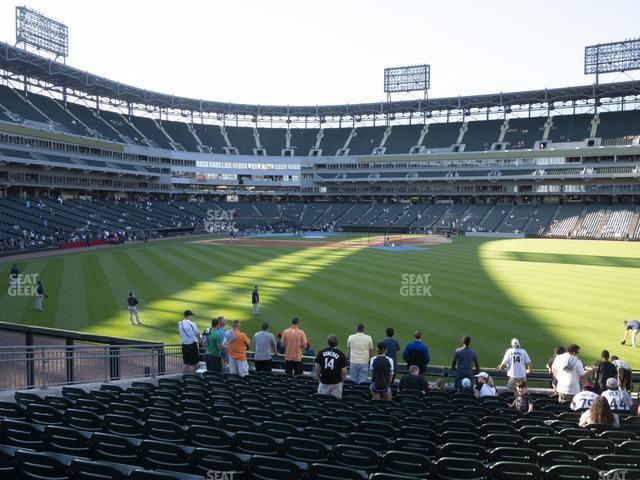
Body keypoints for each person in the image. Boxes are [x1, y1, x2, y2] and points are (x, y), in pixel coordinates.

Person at [315, 334, 348, 399]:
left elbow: (317, 368)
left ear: (328, 342)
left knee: (322, 401)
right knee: (335, 404)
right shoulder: (341, 354)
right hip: (336, 383)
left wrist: (319, 378)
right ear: (337, 343)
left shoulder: (321, 352)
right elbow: (344, 372)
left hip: (324, 382)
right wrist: (342, 381)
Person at [178, 310, 200, 374]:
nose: (191, 317)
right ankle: (192, 379)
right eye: (191, 315)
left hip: (184, 345)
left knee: (186, 363)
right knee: (193, 364)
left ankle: (185, 378)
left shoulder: (180, 323)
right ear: (189, 316)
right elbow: (197, 333)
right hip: (192, 345)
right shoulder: (192, 324)